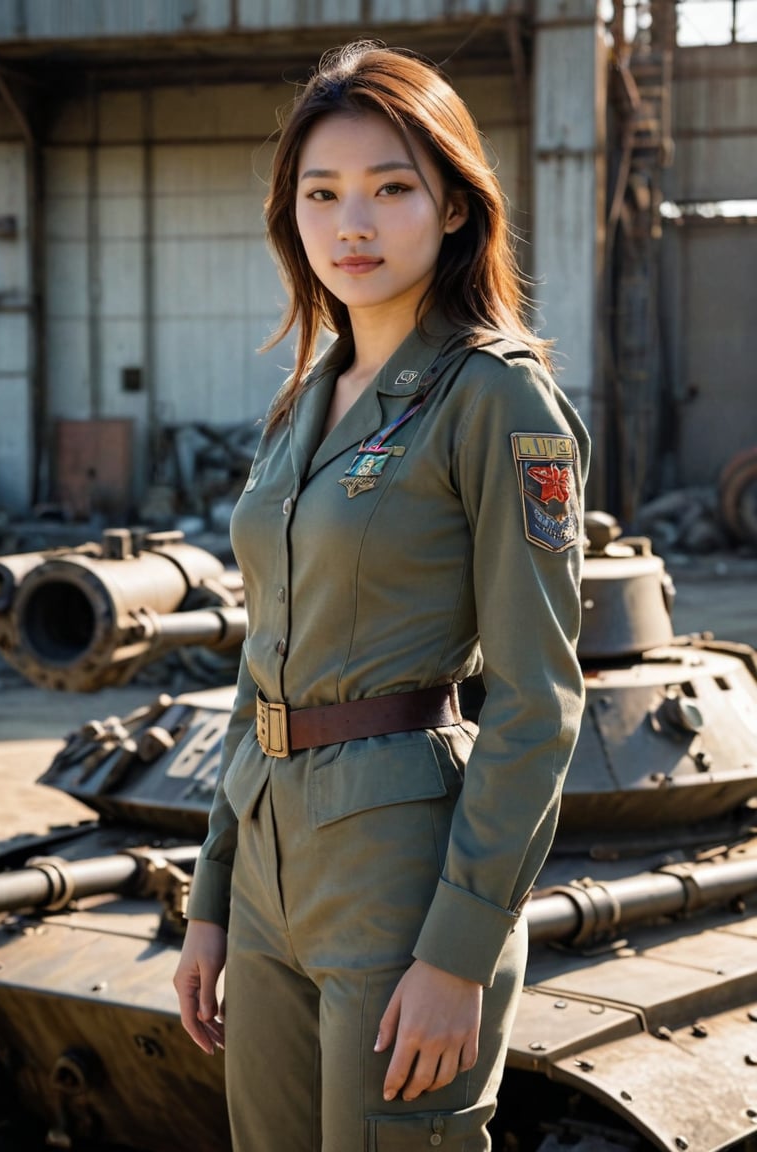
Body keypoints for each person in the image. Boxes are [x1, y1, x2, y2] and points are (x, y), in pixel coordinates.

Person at [173, 39, 590, 1152]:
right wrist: (211, 898)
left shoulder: (498, 399)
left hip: (402, 861)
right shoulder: (304, 404)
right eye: (322, 194)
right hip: (265, 858)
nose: (351, 222)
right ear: (291, 216)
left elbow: (539, 700)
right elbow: (262, 662)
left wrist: (458, 949)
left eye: (392, 188)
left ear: (454, 207)